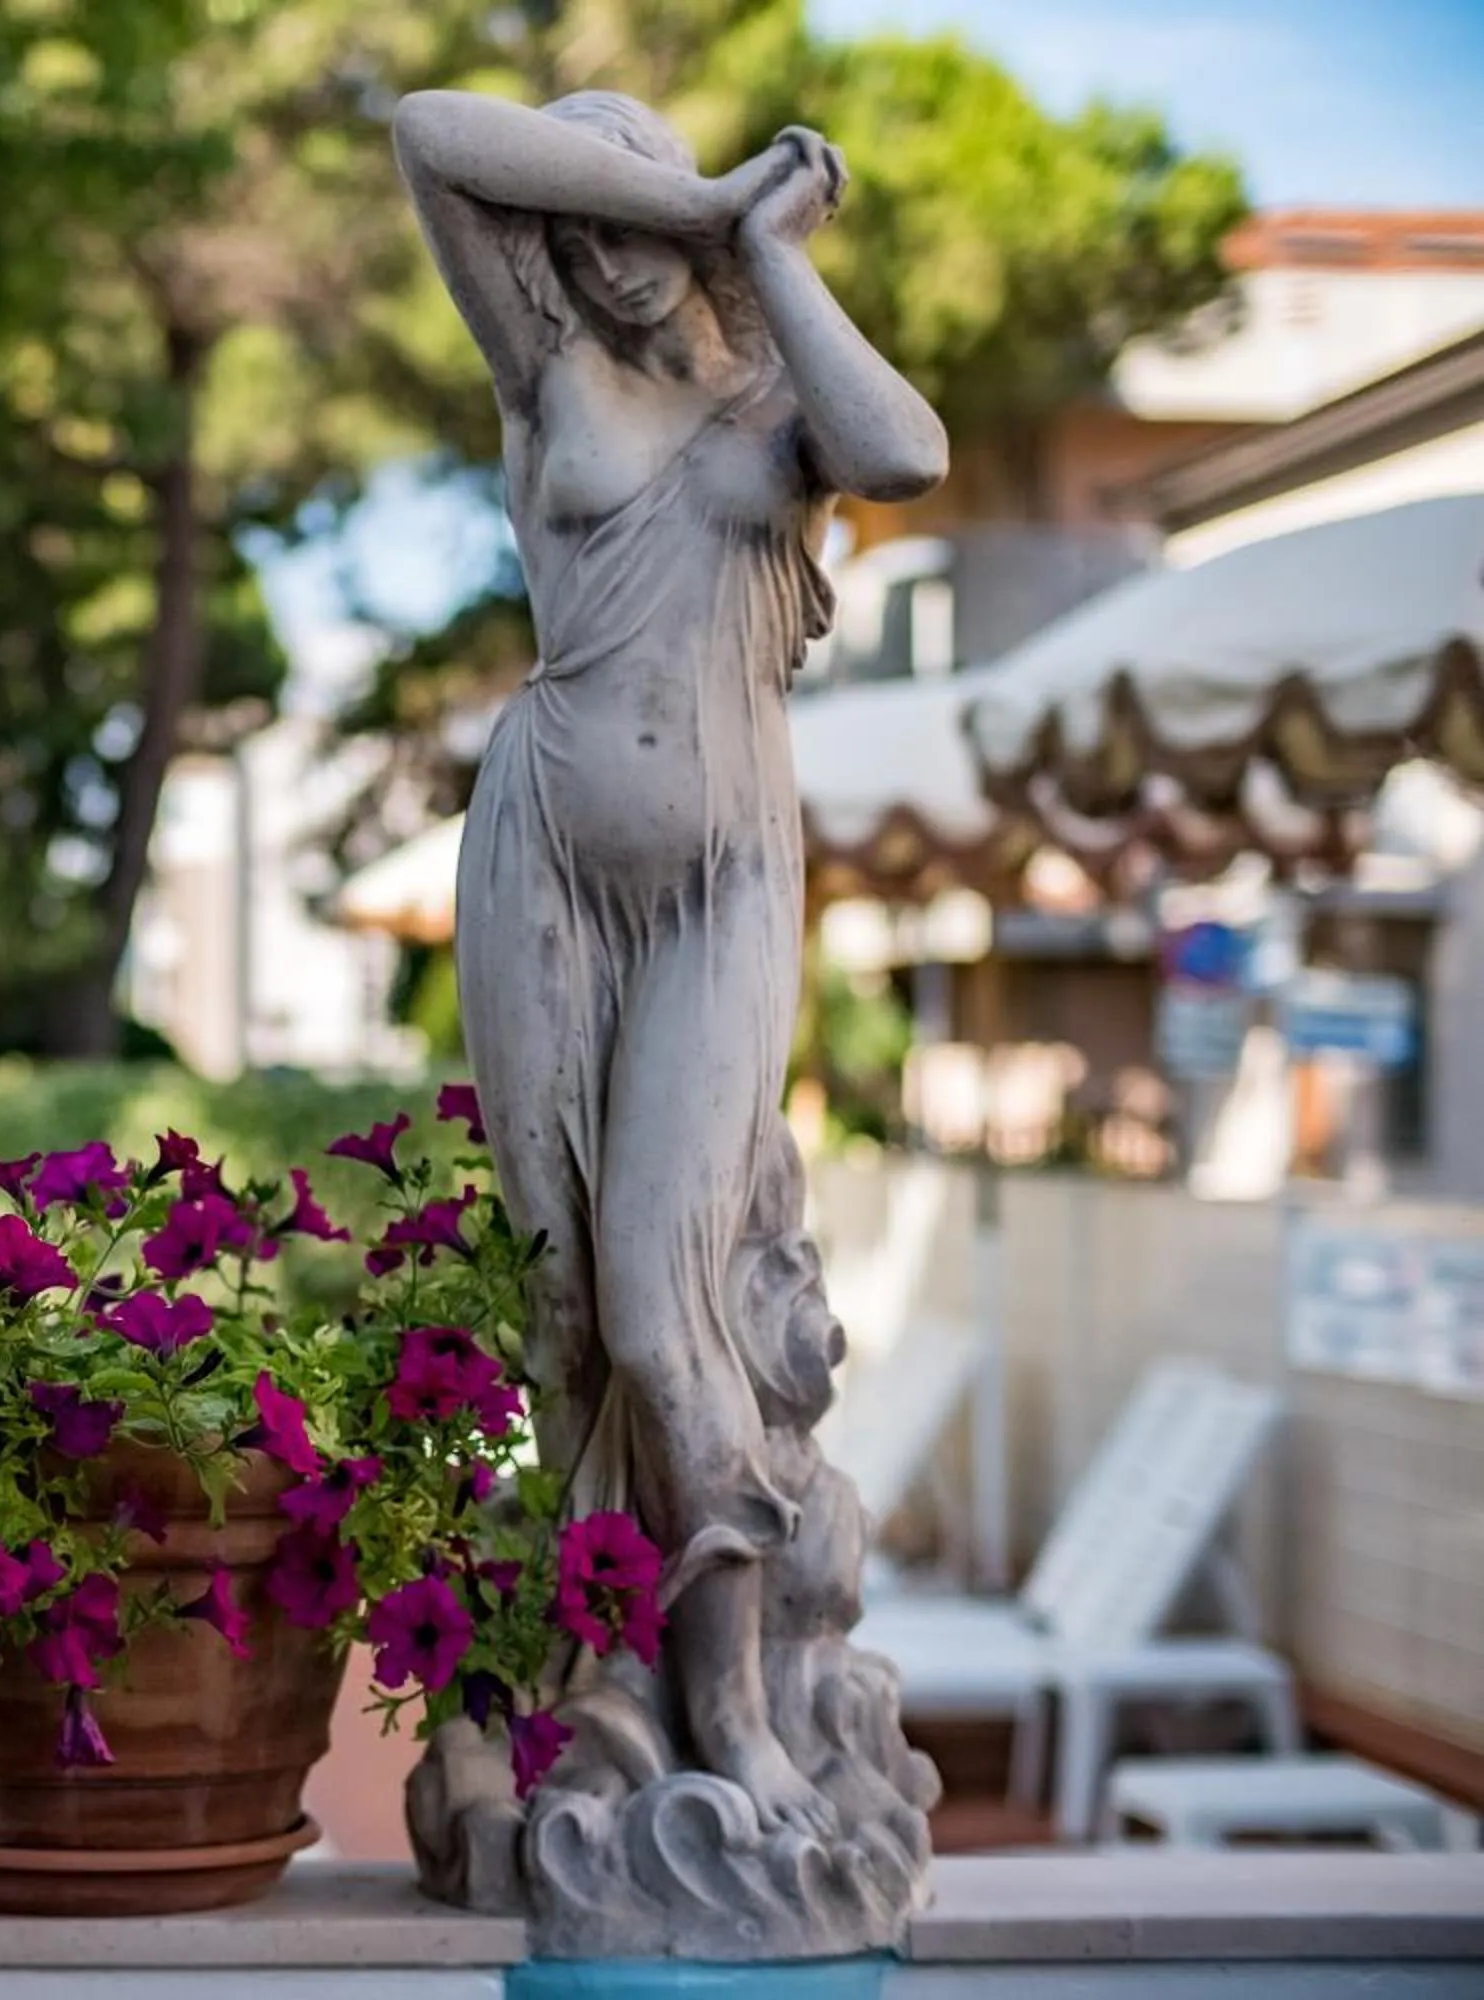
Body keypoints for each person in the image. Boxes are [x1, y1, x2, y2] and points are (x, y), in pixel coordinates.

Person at [397, 88, 946, 1840]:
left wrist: (758, 246)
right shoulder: (543, 369)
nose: (600, 267)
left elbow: (910, 453)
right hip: (543, 851)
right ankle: (565, 1694)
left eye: (629, 234)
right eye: (575, 237)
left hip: (722, 878)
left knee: (664, 1297)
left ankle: (734, 1709)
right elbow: (427, 130)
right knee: (559, 1316)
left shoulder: (781, 398)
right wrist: (689, 184)